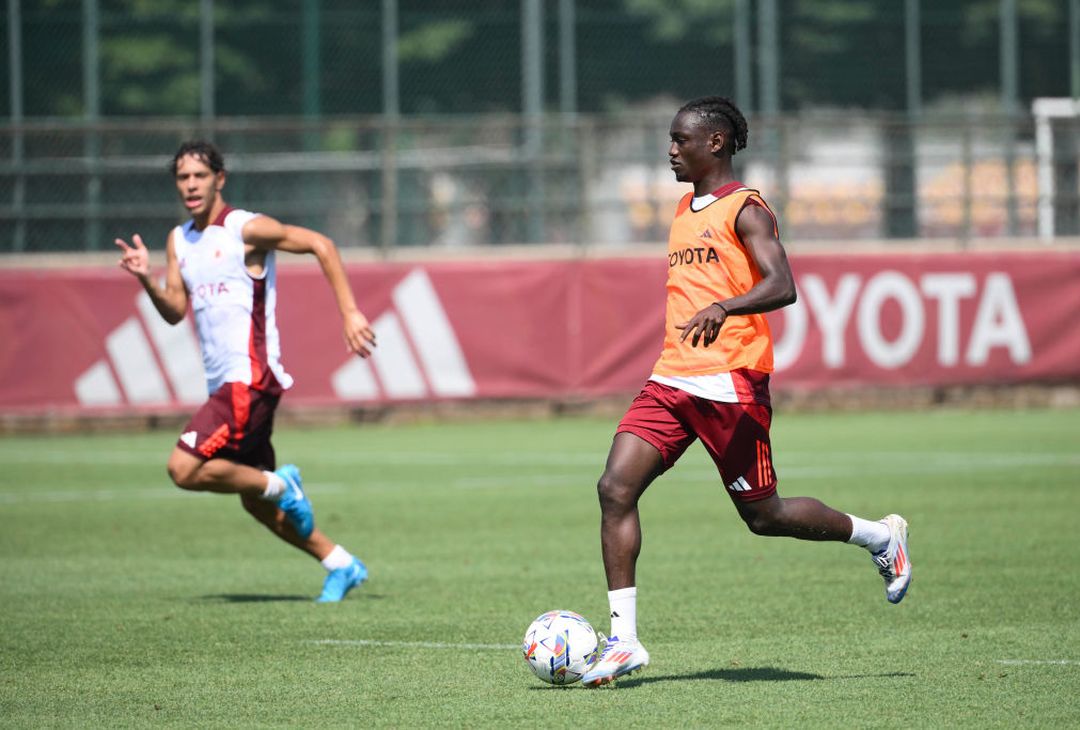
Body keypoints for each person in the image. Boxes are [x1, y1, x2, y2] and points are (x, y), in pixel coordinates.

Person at [580, 97, 911, 687]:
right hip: (671, 379)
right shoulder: (684, 205)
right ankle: (623, 641)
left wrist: (724, 306)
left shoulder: (748, 209)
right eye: (670, 139)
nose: (671, 150)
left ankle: (880, 537)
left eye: (681, 140)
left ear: (716, 143)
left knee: (765, 517)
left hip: (731, 383)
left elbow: (782, 284)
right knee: (614, 488)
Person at [115, 140, 377, 603]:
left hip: (249, 379)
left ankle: (282, 484)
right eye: (182, 177)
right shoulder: (180, 240)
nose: (191, 185)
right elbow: (175, 310)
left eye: (199, 175)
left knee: (183, 469)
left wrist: (350, 313)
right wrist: (145, 279)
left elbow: (321, 243)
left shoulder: (245, 229)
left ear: (220, 178)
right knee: (254, 502)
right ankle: (340, 562)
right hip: (225, 385)